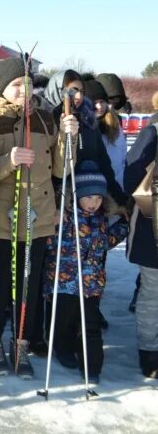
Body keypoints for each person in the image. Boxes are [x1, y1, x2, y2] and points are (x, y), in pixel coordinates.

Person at [0, 57, 78, 378]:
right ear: (4, 89)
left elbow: (62, 168)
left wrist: (68, 137)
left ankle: (20, 343)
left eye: (27, 83)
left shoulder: (47, 120)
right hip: (0, 221)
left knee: (29, 287)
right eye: (16, 85)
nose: (23, 90)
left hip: (37, 218)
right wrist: (8, 161)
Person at [43, 160, 127, 384]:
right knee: (64, 322)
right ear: (77, 195)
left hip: (90, 285)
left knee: (91, 325)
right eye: (89, 197)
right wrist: (51, 226)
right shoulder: (65, 217)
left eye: (98, 198)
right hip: (64, 282)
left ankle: (92, 365)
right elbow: (49, 244)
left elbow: (104, 243)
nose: (94, 203)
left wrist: (122, 228)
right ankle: (63, 349)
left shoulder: (100, 219)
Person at [45, 70, 127, 206]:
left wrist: (119, 199)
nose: (78, 96)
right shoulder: (47, 121)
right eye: (73, 90)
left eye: (82, 91)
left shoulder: (88, 120)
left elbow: (103, 161)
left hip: (92, 200)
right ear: (58, 90)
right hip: (61, 203)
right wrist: (58, 205)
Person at [124, 112, 158, 378]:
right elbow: (132, 176)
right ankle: (150, 351)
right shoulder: (152, 132)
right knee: (153, 291)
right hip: (152, 223)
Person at [85, 79, 126, 187]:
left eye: (102, 102)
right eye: (95, 103)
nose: (99, 107)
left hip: (117, 181)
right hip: (93, 185)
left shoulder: (114, 123)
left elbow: (122, 153)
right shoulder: (84, 126)